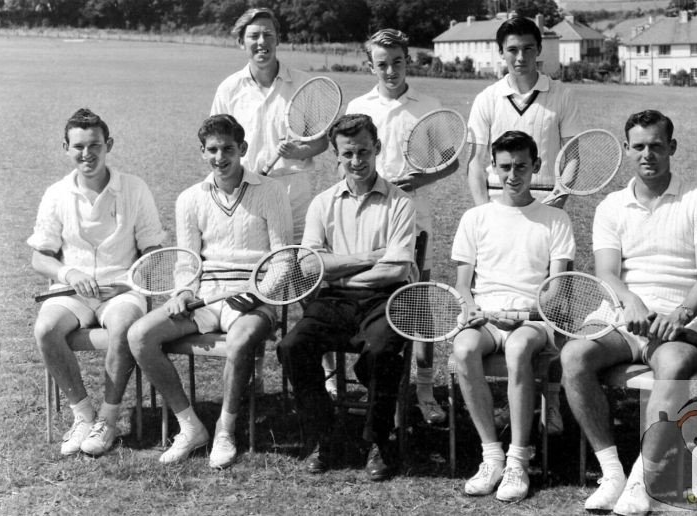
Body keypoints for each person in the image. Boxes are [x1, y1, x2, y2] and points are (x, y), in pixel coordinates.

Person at [560, 110, 697, 515]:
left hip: (682, 321)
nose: (646, 154)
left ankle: (643, 477)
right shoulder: (611, 206)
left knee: (670, 366)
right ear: (626, 150)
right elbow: (607, 273)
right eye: (638, 146)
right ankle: (612, 471)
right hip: (621, 317)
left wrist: (680, 314)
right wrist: (629, 302)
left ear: (671, 148)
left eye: (655, 145)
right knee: (573, 356)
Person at [128, 114, 293, 469]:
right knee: (140, 335)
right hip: (206, 297)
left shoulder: (272, 192)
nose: (221, 158)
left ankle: (224, 430)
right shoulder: (189, 198)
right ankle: (190, 427)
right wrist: (184, 292)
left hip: (253, 300)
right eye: (213, 150)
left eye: (228, 149)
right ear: (203, 152)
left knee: (239, 341)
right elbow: (188, 262)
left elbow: (283, 261)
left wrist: (260, 293)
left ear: (243, 149)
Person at [277, 114, 416, 482]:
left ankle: (377, 441)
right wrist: (370, 257)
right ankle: (326, 435)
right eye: (348, 153)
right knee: (292, 347)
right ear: (336, 156)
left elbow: (397, 271)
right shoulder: (322, 203)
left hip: (385, 299)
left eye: (364, 152)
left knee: (382, 351)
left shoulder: (400, 202)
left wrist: (338, 268)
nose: (357, 161)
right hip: (334, 302)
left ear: (378, 150)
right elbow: (309, 266)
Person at [337, 28, 459, 424]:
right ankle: (357, 378)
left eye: (398, 62)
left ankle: (424, 389)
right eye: (382, 64)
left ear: (409, 61)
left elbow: (452, 160)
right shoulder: (359, 105)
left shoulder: (429, 104)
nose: (390, 71)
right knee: (365, 294)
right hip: (367, 222)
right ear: (369, 65)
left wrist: (422, 180)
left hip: (413, 218)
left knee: (417, 304)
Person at [29, 108, 166, 457]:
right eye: (78, 146)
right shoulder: (56, 193)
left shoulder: (135, 188)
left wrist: (129, 280)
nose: (86, 154)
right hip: (73, 293)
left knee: (122, 327)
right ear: (65, 147)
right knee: (45, 328)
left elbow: (153, 248)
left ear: (109, 145)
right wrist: (69, 274)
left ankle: (108, 416)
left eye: (95, 145)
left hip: (122, 291)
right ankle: (83, 415)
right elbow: (39, 257)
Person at [451, 131, 575, 502]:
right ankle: (492, 456)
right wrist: (472, 309)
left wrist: (524, 312)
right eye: (504, 166)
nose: (512, 174)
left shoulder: (556, 220)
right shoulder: (475, 217)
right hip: (487, 318)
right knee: (464, 348)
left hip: (534, 322)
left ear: (536, 166)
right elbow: (462, 285)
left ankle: (519, 459)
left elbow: (556, 290)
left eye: (521, 166)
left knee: (519, 349)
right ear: (492, 168)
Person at [210, 7, 328, 243]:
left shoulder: (303, 84)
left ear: (278, 39)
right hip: (246, 190)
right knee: (252, 265)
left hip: (294, 195)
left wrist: (300, 151)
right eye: (254, 36)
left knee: (296, 267)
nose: (261, 42)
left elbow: (321, 141)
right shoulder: (228, 88)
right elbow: (216, 145)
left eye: (268, 35)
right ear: (240, 42)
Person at [467, 16, 581, 207]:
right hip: (497, 199)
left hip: (546, 199)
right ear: (501, 52)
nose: (521, 57)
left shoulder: (563, 95)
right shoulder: (486, 98)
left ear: (539, 49)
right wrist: (483, 209)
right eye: (512, 50)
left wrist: (556, 203)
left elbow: (572, 159)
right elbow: (474, 163)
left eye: (528, 48)